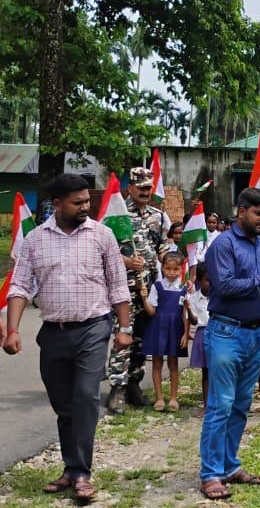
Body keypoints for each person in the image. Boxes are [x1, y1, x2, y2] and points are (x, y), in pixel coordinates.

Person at [4, 173, 133, 503]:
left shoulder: (102, 236)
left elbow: (118, 285)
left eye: (88, 201)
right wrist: (13, 329)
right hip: (53, 333)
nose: (85, 207)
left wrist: (123, 329)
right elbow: (19, 286)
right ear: (57, 204)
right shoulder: (34, 240)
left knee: (86, 397)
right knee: (64, 405)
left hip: (94, 328)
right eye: (77, 202)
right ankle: (70, 467)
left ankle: (81, 474)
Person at [198, 187, 260, 501]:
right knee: (220, 404)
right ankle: (210, 474)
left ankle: (230, 466)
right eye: (259, 213)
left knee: (240, 405)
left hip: (254, 335)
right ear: (241, 212)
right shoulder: (223, 244)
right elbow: (225, 286)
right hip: (225, 332)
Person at [106, 167, 169, 414]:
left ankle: (134, 384)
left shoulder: (159, 216)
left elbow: (162, 246)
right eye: (141, 187)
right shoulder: (116, 215)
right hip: (125, 289)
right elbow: (105, 251)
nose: (145, 191)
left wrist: (169, 261)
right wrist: (127, 262)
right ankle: (117, 390)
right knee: (124, 338)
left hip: (150, 289)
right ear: (130, 188)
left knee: (143, 339)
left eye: (148, 187)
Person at [141, 252, 190, 412]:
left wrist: (185, 332)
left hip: (175, 328)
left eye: (175, 269)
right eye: (168, 268)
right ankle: (159, 398)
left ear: (181, 270)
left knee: (173, 363)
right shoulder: (157, 286)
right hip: (158, 328)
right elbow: (151, 312)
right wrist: (144, 298)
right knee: (156, 362)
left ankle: (174, 398)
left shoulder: (184, 289)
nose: (171, 272)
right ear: (162, 268)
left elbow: (185, 312)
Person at [186, 262, 211, 417]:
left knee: (220, 371)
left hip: (218, 333)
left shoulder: (219, 296)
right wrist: (188, 308)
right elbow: (194, 321)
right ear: (200, 281)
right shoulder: (194, 298)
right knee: (206, 372)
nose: (210, 283)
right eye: (207, 280)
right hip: (202, 333)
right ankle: (207, 404)